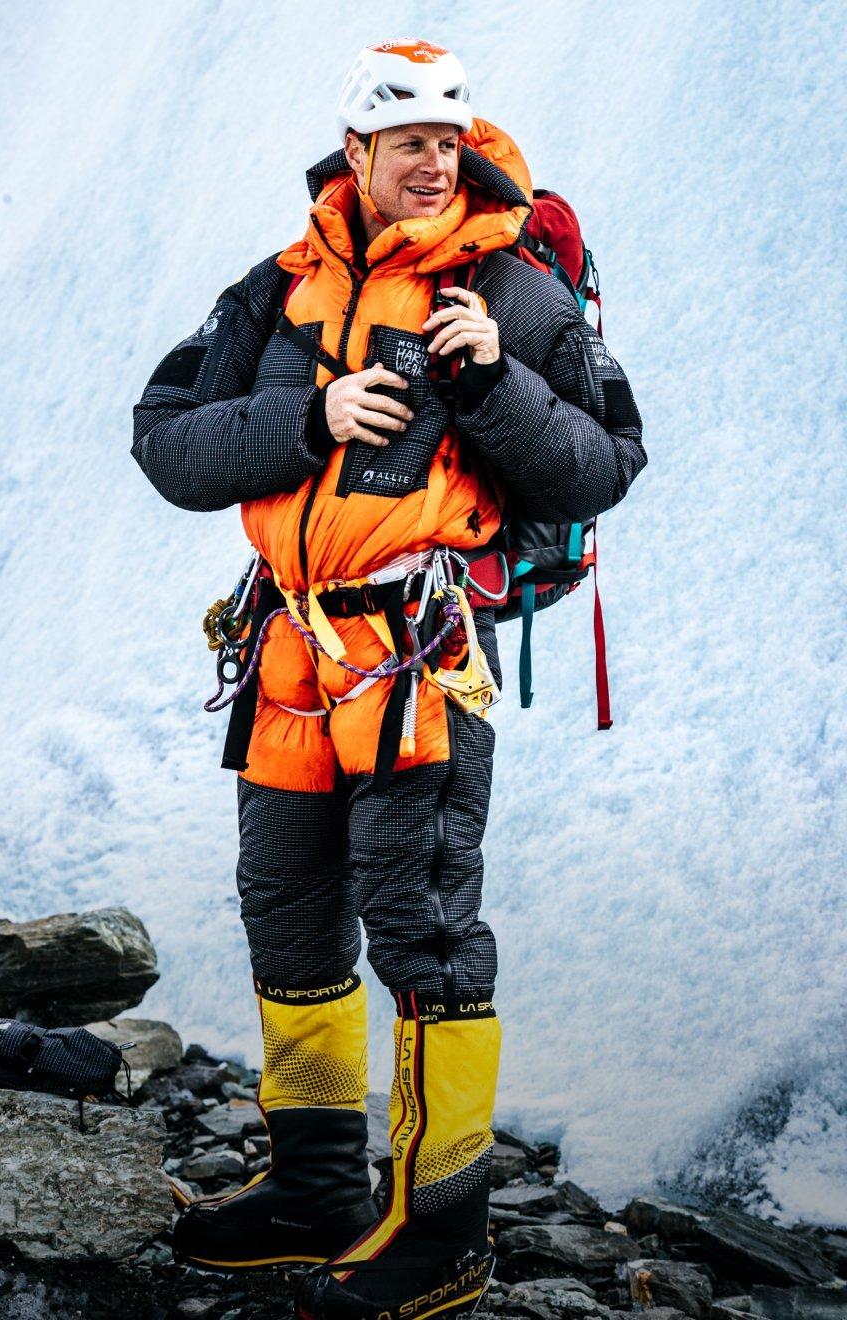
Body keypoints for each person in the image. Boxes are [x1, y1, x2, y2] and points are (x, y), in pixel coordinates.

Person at [132, 37, 646, 1320]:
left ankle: (446, 1230)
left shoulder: (513, 290)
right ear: (354, 152)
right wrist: (306, 420)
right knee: (287, 906)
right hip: (292, 649)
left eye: (447, 139)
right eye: (404, 140)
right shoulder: (277, 287)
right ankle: (315, 1191)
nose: (432, 161)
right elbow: (165, 443)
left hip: (420, 652)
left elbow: (603, 464)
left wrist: (490, 384)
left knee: (418, 923)